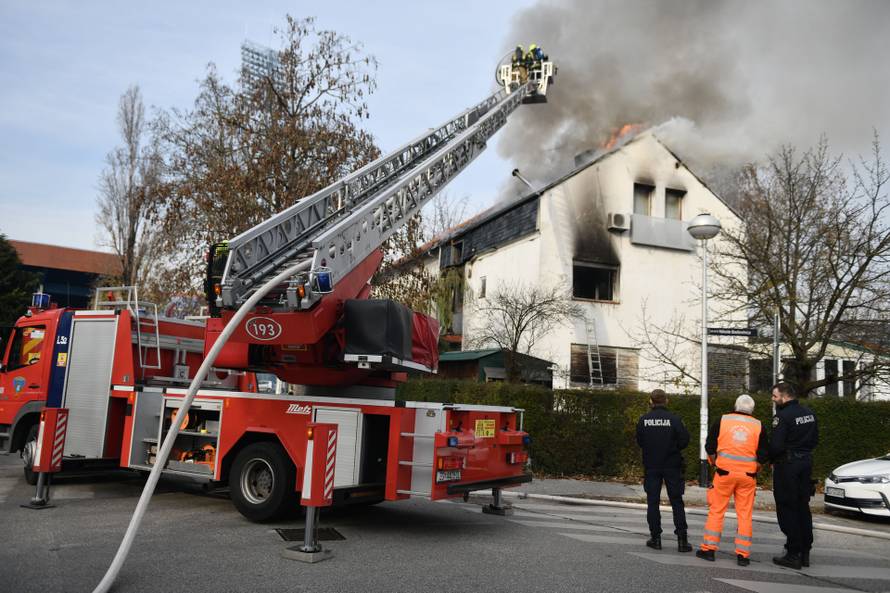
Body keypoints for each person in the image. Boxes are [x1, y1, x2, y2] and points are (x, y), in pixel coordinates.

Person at [695, 394, 769, 567]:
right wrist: (755, 467)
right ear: (752, 409)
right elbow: (765, 453)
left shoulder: (723, 420)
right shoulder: (758, 425)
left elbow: (710, 446)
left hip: (723, 474)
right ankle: (743, 555)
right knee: (745, 515)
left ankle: (709, 549)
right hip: (747, 477)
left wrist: (715, 463)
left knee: (717, 511)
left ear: (735, 406)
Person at [635, 389, 692, 552]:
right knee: (676, 501)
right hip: (672, 465)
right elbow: (684, 440)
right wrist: (672, 449)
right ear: (666, 401)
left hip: (652, 465)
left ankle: (656, 538)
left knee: (653, 502)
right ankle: (682, 540)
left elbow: (640, 441)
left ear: (650, 401)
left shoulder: (643, 420)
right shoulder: (675, 420)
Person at [770, 381, 818, 569]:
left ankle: (793, 552)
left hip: (787, 466)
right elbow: (815, 439)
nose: (773, 400)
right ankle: (805, 550)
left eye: (775, 396)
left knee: (787, 507)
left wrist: (768, 458)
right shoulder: (809, 413)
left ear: (784, 396)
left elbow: (776, 446)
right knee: (802, 506)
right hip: (806, 463)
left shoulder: (782, 416)